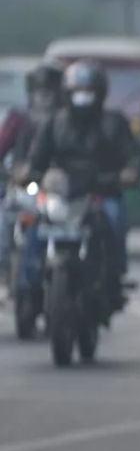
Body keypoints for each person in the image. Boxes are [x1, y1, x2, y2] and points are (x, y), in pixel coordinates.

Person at [24, 60, 140, 312]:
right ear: (67, 94)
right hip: (63, 195)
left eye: (88, 92)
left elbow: (134, 154)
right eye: (77, 92)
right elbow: (36, 158)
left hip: (102, 193)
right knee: (35, 225)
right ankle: (28, 285)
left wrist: (130, 171)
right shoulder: (54, 124)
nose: (83, 98)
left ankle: (114, 279)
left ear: (99, 94)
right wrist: (27, 172)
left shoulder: (114, 123)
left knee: (114, 219)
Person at [0, 63, 63, 292]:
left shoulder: (65, 121)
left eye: (48, 90)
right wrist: (14, 171)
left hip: (57, 189)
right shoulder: (19, 119)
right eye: (39, 90)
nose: (43, 96)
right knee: (3, 220)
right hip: (23, 185)